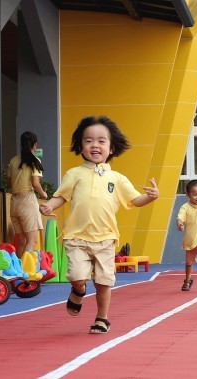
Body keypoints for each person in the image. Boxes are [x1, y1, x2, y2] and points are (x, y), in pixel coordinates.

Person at [39, 115, 159, 334]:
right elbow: (62, 197)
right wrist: (50, 205)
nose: (95, 145)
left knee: (104, 282)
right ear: (80, 146)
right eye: (89, 140)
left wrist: (151, 197)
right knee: (76, 276)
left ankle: (102, 318)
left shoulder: (117, 178)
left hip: (105, 238)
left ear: (111, 148)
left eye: (101, 141)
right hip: (76, 237)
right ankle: (79, 290)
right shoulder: (74, 174)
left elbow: (134, 200)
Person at [8, 131, 49, 259]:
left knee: (22, 242)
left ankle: (18, 272)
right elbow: (35, 183)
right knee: (32, 241)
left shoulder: (14, 160)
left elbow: (9, 181)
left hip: (14, 202)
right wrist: (43, 194)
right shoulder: (34, 160)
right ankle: (24, 271)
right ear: (35, 145)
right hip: (27, 201)